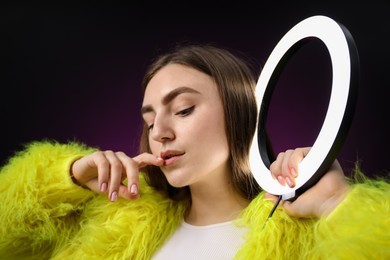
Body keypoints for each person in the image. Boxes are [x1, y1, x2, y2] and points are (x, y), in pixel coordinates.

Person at [0, 43, 389, 259]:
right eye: (150, 121)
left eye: (183, 109)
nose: (161, 133)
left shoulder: (304, 238)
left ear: (241, 112)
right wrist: (66, 179)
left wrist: (337, 205)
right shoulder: (114, 219)